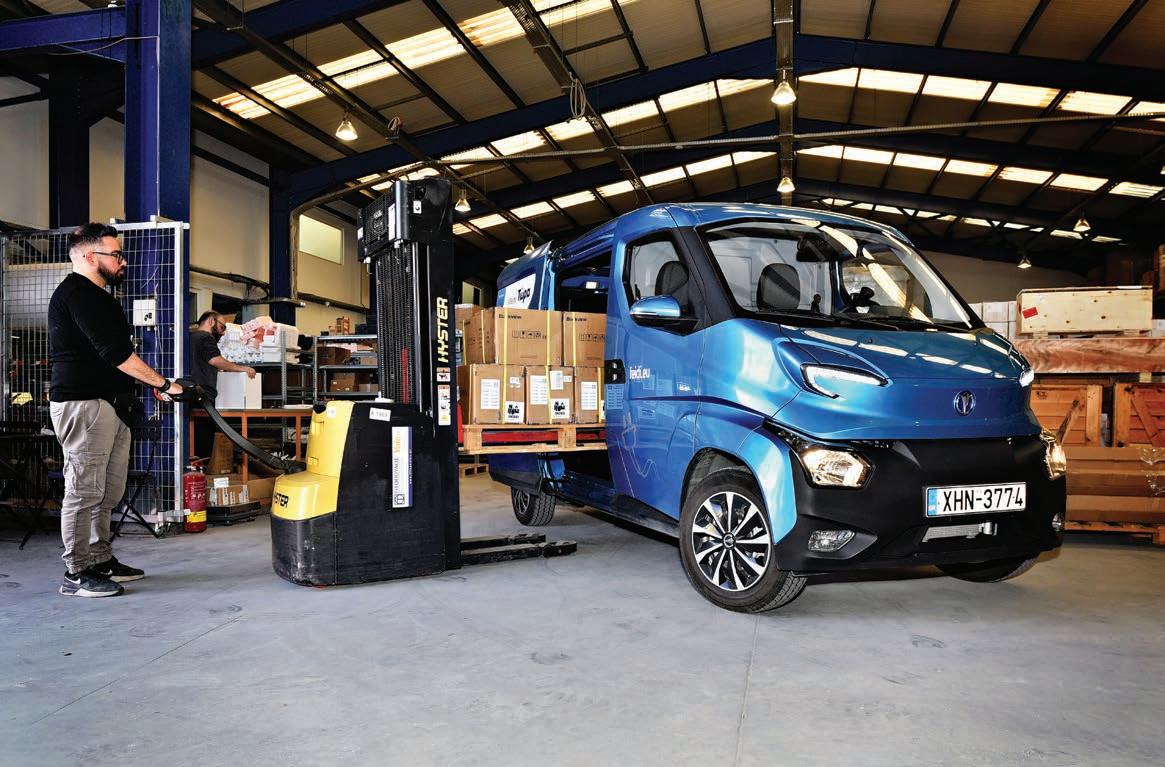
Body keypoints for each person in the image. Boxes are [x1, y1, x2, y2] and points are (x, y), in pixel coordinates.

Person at [48, 223, 183, 598]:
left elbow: (111, 356)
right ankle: (76, 572)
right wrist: (163, 384)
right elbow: (116, 353)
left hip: (108, 404)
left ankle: (100, 558)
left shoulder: (100, 296)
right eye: (117, 254)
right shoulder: (78, 293)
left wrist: (145, 386)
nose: (123, 261)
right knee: (83, 491)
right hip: (83, 404)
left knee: (108, 491)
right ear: (90, 256)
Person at [189, 311, 256, 459]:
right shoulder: (206, 337)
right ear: (211, 321)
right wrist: (243, 368)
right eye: (222, 327)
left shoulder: (189, 337)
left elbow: (201, 361)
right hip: (203, 395)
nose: (223, 332)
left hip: (188, 392)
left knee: (192, 436)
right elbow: (215, 360)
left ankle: (192, 466)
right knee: (204, 440)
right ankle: (202, 468)